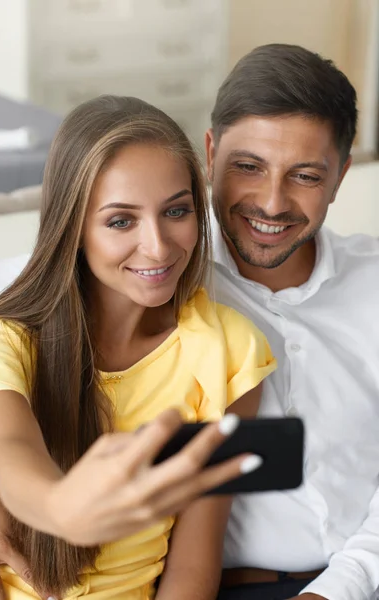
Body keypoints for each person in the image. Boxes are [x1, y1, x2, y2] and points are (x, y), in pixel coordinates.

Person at [0, 95, 276, 600]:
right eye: (121, 221)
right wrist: (59, 508)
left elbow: (193, 568)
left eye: (176, 211)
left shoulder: (230, 349)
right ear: (73, 227)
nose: (158, 247)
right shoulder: (5, 338)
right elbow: (9, 451)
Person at [206, 44, 379, 600]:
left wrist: (338, 589)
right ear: (210, 152)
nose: (272, 203)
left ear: (340, 176)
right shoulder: (151, 275)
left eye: (305, 175)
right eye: (248, 167)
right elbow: (6, 329)